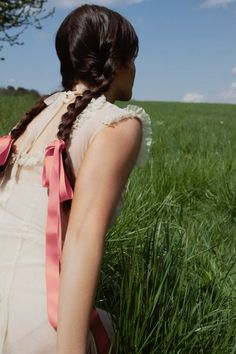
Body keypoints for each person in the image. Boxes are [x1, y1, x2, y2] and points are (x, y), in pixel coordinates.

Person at [0, 4, 152, 354]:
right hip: (33, 321)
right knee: (111, 328)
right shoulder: (117, 124)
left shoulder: (33, 118)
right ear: (118, 61)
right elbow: (82, 238)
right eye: (134, 57)